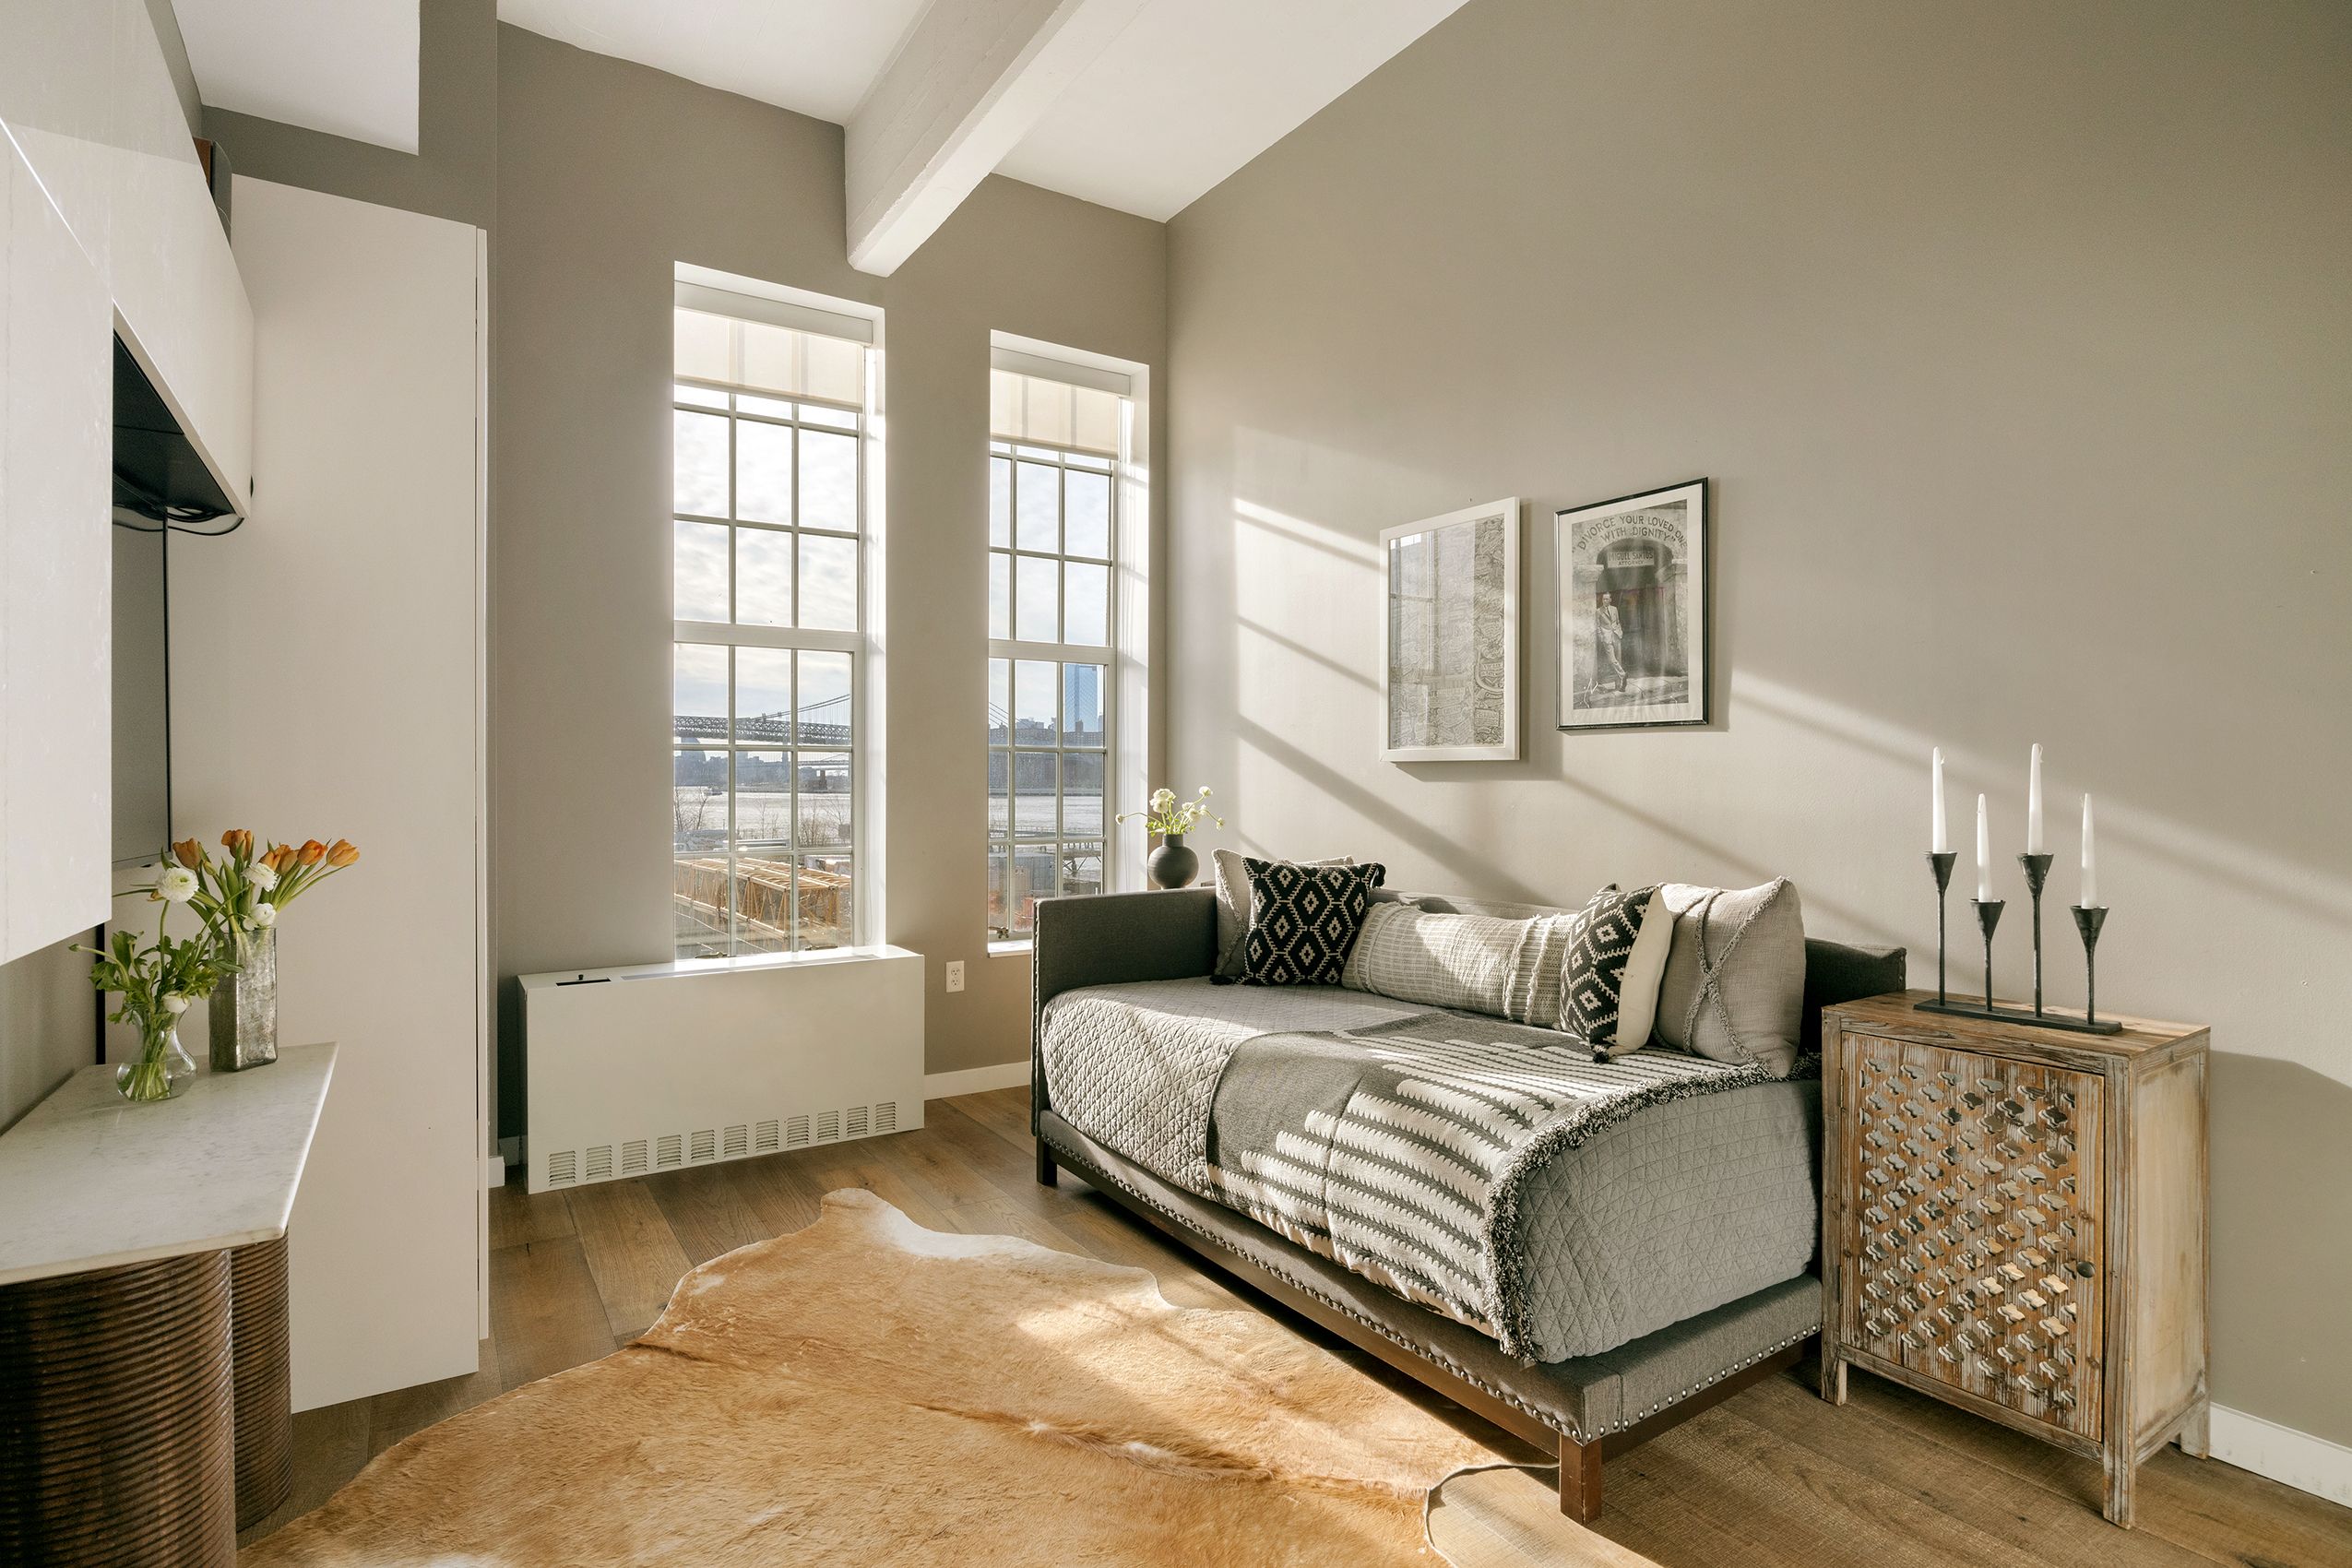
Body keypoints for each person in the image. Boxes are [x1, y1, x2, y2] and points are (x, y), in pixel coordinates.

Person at [1593, 595, 1625, 695]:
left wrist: (1620, 631)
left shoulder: (1614, 609)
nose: (1605, 601)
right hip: (1607, 638)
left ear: (1610, 600)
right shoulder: (1598, 611)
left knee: (1618, 659)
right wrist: (1601, 637)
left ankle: (1620, 684)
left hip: (1616, 635)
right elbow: (1598, 626)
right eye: (1603, 599)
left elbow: (1617, 621)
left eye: (1607, 599)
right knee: (1612, 659)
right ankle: (1623, 675)